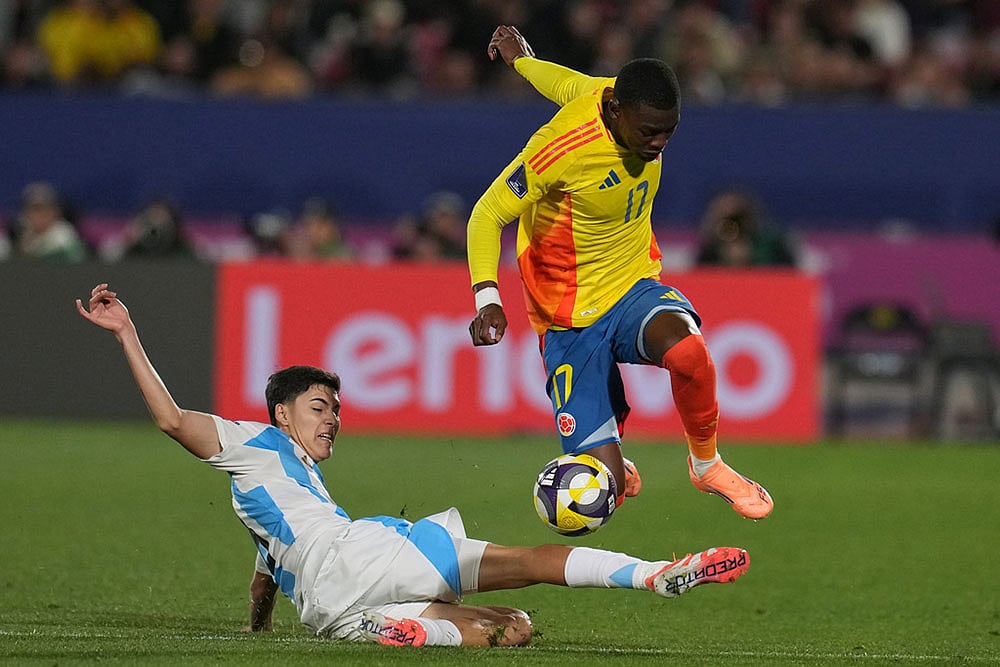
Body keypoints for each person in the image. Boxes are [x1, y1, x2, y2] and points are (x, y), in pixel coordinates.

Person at [75, 283, 751, 648]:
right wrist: (128, 332)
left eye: (335, 408)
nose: (331, 417)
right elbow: (171, 418)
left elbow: (262, 580)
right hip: (357, 550)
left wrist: (257, 633)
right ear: (280, 411)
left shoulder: (272, 490)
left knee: (509, 626)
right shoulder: (252, 439)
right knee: (534, 559)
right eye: (318, 406)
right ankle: (657, 575)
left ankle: (412, 630)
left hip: (327, 607)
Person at [467, 26, 773, 521]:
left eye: (668, 132)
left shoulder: (613, 93)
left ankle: (707, 464)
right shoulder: (559, 149)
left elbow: (566, 82)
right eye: (648, 132)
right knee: (597, 499)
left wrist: (523, 61)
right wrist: (487, 298)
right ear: (615, 112)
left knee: (690, 352)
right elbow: (486, 215)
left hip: (631, 284)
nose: (657, 144)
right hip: (567, 315)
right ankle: (611, 462)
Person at [695, 187, 798, 268]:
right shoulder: (708, 255)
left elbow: (789, 279)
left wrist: (751, 261)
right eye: (726, 220)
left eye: (738, 219)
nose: (732, 227)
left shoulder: (774, 250)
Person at [14, 181, 88, 262]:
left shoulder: (63, 234)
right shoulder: (26, 233)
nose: (40, 215)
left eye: (43, 209)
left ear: (55, 212)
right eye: (34, 210)